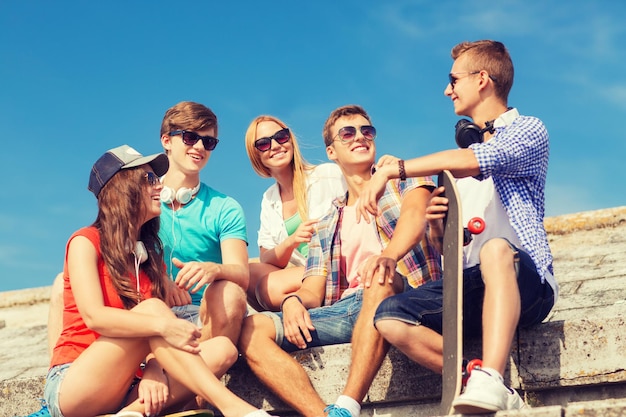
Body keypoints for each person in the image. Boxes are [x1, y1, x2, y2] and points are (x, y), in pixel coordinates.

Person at [357, 40, 558, 414]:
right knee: (389, 316)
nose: (447, 89)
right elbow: (455, 249)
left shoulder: (530, 130)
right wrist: (438, 228)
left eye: (454, 80)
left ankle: (493, 380)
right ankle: (474, 377)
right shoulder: (459, 169)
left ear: (482, 79)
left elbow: (483, 158)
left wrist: (393, 168)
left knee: (497, 249)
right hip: (473, 284)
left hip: (526, 281)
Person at [238, 105, 442, 417]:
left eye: (366, 131)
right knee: (251, 329)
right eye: (348, 133)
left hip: (405, 297)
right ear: (331, 151)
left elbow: (415, 218)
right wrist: (293, 301)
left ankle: (347, 405)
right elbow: (313, 290)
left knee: (379, 276)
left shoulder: (404, 180)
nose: (360, 137)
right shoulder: (328, 220)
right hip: (346, 309)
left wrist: (387, 257)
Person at [44, 144, 273, 417]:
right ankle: (233, 407)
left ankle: (130, 413)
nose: (158, 186)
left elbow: (151, 337)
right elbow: (96, 317)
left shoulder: (147, 258)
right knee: (155, 311)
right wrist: (165, 325)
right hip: (76, 382)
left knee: (223, 349)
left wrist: (153, 368)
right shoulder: (85, 241)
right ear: (121, 187)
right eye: (150, 179)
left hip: (127, 383)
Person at [158, 101, 249, 343]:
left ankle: (202, 367)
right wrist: (159, 281)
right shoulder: (138, 198)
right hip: (151, 312)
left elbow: (241, 273)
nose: (200, 147)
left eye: (208, 142)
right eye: (189, 137)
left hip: (204, 317)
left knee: (230, 292)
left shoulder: (226, 207)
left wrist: (214, 269)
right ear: (166, 141)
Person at [244, 115, 346, 311]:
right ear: (255, 155)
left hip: (334, 269)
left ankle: (302, 307)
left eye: (281, 137)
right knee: (246, 271)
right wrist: (292, 240)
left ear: (290, 139)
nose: (275, 145)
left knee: (270, 288)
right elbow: (266, 257)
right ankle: (294, 310)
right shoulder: (269, 198)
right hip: (302, 273)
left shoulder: (327, 174)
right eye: (263, 143)